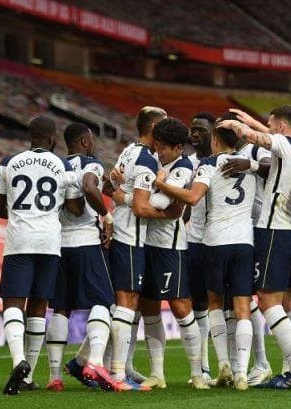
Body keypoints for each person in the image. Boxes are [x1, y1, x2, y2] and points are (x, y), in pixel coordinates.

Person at [154, 116, 256, 391]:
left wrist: (162, 184)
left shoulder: (210, 164)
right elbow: (273, 165)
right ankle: (242, 374)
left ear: (215, 140)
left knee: (213, 303)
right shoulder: (252, 166)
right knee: (242, 308)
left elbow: (193, 198)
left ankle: (223, 363)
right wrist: (255, 163)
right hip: (245, 242)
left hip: (214, 241)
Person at [217, 106, 291, 390]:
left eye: (271, 124)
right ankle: (290, 367)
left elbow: (253, 137)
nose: (267, 128)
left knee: (268, 302)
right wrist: (254, 122)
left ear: (281, 125)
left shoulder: (281, 143)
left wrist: (235, 124)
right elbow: (273, 135)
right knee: (286, 304)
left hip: (274, 230)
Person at [0, 116, 83, 395]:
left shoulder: (9, 163)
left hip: (20, 240)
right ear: (53, 138)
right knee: (39, 305)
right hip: (50, 241)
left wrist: (21, 213)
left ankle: (18, 360)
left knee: (13, 302)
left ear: (30, 137)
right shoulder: (63, 165)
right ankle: (28, 374)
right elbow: (74, 208)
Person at [125, 118, 208, 389]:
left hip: (170, 249)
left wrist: (146, 190)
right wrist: (137, 193)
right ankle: (157, 373)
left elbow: (161, 203)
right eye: (156, 146)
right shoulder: (157, 164)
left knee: (181, 307)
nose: (158, 151)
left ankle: (198, 372)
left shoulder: (183, 167)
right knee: (149, 307)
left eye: (163, 148)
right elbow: (158, 207)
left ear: (177, 147)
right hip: (146, 244)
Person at [103, 106, 181, 391]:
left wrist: (121, 196)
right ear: (154, 128)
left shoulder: (128, 151)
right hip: (132, 237)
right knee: (127, 303)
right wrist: (168, 214)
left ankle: (117, 368)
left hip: (123, 234)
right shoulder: (147, 159)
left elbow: (110, 186)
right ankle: (117, 375)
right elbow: (141, 207)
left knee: (125, 303)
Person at [43, 123, 119, 392]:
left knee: (61, 308)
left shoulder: (57, 166)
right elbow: (89, 187)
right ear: (85, 141)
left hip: (59, 244)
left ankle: (55, 376)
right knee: (103, 301)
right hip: (86, 242)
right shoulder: (91, 163)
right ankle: (95, 363)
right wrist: (106, 216)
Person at [186, 112, 215, 382]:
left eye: (200, 130)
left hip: (221, 240)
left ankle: (248, 364)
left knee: (234, 307)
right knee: (200, 305)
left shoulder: (225, 162)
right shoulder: (188, 163)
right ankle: (204, 366)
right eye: (192, 130)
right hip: (194, 241)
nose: (195, 134)